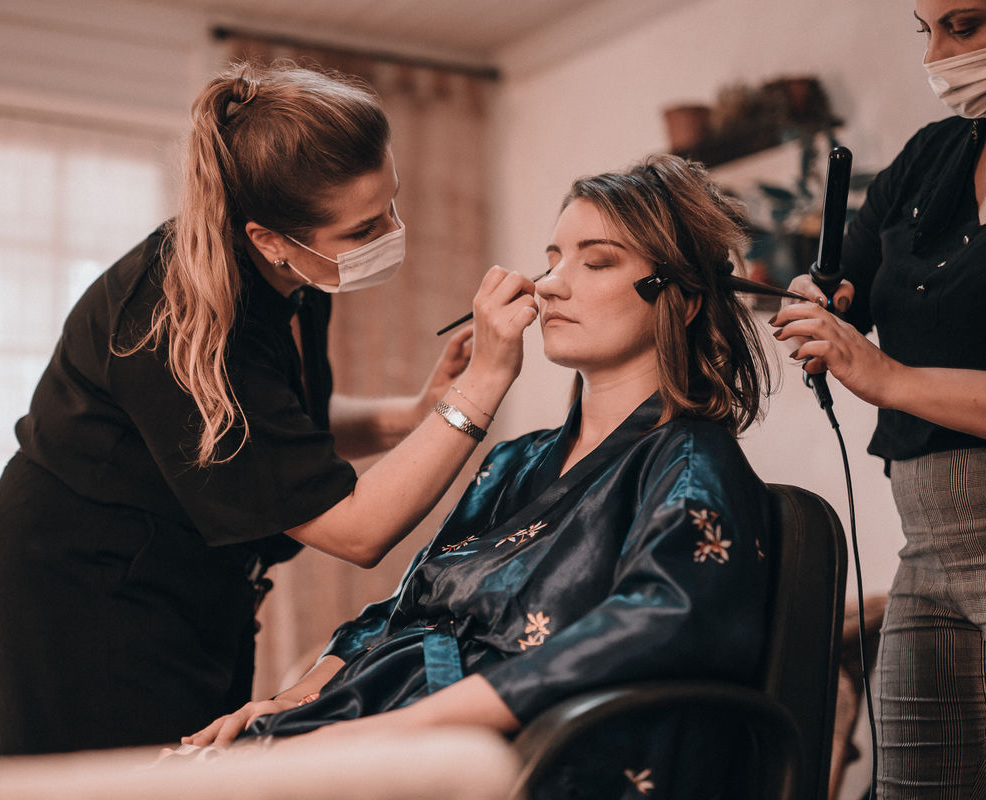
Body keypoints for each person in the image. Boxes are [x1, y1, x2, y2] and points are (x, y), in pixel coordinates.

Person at [0, 60, 539, 756]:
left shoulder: (294, 273)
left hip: (191, 571)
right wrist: (480, 385)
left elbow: (277, 433)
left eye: (391, 203)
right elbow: (356, 531)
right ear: (268, 236)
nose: (392, 232)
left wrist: (415, 411)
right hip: (86, 579)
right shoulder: (183, 320)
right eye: (363, 231)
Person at [184, 155, 777, 797]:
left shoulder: (689, 462)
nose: (549, 285)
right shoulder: (513, 461)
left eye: (597, 261)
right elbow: (407, 607)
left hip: (517, 758)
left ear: (682, 299)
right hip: (395, 724)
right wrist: (293, 702)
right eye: (552, 259)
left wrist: (395, 730)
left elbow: (660, 625)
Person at [771, 2, 986, 795]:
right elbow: (843, 286)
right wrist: (818, 299)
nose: (938, 55)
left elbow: (880, 366)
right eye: (925, 30)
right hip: (927, 550)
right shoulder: (931, 159)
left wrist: (888, 378)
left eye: (964, 25)